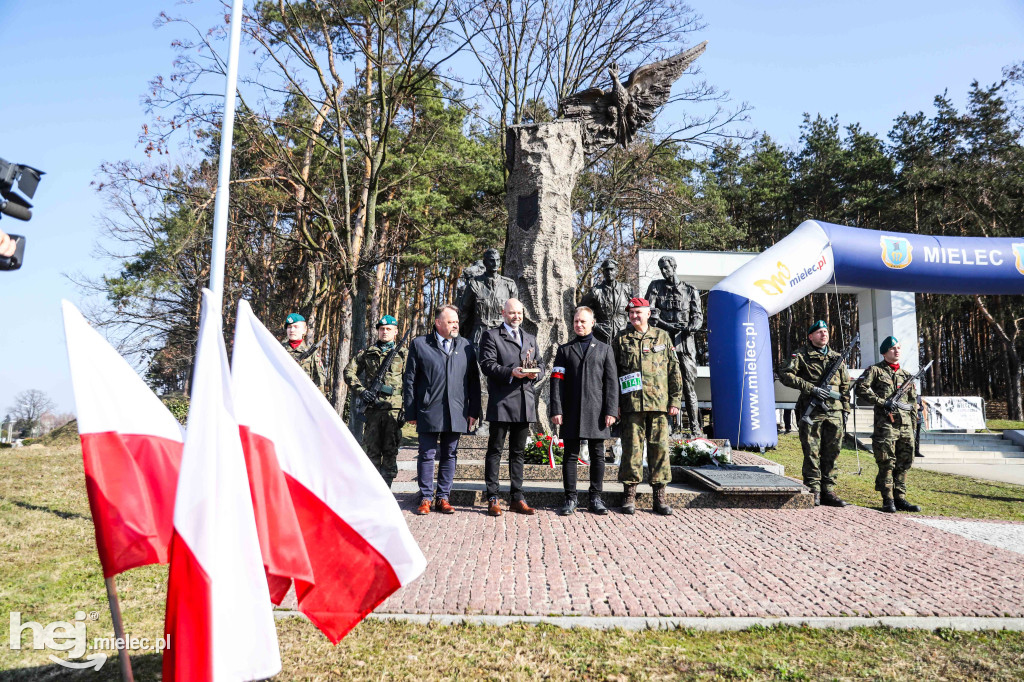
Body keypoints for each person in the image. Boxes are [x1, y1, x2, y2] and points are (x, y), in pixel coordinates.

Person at [403, 304, 481, 515]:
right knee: (427, 454)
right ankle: (426, 497)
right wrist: (411, 411)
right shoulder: (420, 344)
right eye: (450, 321)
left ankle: (443, 497)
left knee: (450, 454)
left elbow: (474, 381)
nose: (455, 325)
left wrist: (474, 410)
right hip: (429, 408)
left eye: (456, 321)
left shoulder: (466, 346)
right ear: (438, 323)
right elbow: (409, 379)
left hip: (456, 410)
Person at [612, 297, 682, 515]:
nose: (634, 316)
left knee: (659, 449)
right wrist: (615, 404)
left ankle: (659, 497)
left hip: (659, 404)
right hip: (631, 404)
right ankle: (629, 495)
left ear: (648, 314)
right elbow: (612, 374)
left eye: (638, 313)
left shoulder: (662, 336)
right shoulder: (621, 339)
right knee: (631, 450)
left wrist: (675, 400)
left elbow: (674, 370)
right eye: (631, 313)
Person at [550, 306, 618, 515]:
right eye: (576, 321)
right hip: (570, 410)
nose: (579, 325)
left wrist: (611, 410)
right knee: (570, 455)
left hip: (597, 411)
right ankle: (570, 498)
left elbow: (611, 382)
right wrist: (556, 408)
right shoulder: (564, 350)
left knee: (598, 456)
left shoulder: (605, 349)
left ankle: (595, 498)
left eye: (583, 321)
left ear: (592, 323)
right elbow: (556, 382)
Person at [478, 298, 543, 516]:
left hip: (525, 402)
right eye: (512, 313)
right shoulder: (491, 336)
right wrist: (510, 372)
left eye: (520, 313)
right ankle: (493, 497)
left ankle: (517, 497)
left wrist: (535, 374)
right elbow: (487, 364)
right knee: (495, 450)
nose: (516, 317)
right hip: (502, 401)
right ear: (503, 313)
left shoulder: (530, 338)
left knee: (518, 453)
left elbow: (540, 364)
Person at [778, 320, 851, 507]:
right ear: (811, 336)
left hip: (834, 411)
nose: (824, 334)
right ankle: (813, 489)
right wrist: (811, 388)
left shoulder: (837, 358)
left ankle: (828, 489)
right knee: (812, 450)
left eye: (826, 331)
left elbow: (845, 386)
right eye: (819, 332)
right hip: (811, 409)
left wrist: (846, 409)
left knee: (832, 451)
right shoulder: (801, 355)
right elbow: (785, 374)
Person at [855, 336, 922, 513]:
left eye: (899, 347)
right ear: (885, 352)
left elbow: (912, 402)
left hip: (906, 426)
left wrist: (915, 424)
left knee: (905, 461)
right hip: (886, 426)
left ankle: (900, 497)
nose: (897, 350)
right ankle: (888, 498)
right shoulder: (875, 371)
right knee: (887, 461)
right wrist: (881, 401)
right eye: (893, 348)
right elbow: (860, 388)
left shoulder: (906, 376)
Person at [343, 315, 406, 489]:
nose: (384, 332)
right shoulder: (368, 353)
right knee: (371, 451)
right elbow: (348, 372)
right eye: (381, 329)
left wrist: (406, 408)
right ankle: (372, 489)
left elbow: (411, 381)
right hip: (373, 409)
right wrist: (361, 391)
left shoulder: (403, 354)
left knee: (390, 450)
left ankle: (387, 488)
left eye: (388, 329)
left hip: (394, 410)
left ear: (395, 331)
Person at [645, 255, 703, 435]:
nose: (664, 271)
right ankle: (666, 428)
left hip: (685, 343)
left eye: (666, 267)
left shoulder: (690, 290)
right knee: (663, 384)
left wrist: (690, 328)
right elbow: (650, 313)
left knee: (688, 386)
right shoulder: (655, 287)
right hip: (662, 342)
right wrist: (668, 326)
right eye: (661, 268)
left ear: (674, 267)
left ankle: (695, 428)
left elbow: (698, 317)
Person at [458, 248, 519, 350]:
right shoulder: (474, 284)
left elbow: (515, 314)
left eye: (497, 260)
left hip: (503, 336)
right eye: (491, 260)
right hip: (479, 336)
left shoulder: (509, 284)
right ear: (485, 262)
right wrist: (455, 335)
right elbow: (464, 312)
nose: (495, 263)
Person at [579, 258, 634, 345]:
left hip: (623, 336)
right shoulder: (595, 291)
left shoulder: (627, 289)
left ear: (616, 271)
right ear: (603, 272)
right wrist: (595, 325)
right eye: (606, 270)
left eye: (611, 270)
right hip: (602, 337)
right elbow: (580, 311)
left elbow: (633, 309)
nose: (609, 273)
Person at [282, 313, 326, 392]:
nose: (292, 330)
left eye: (296, 327)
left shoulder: (311, 353)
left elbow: (319, 381)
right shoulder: (279, 350)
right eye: (289, 327)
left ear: (304, 330)